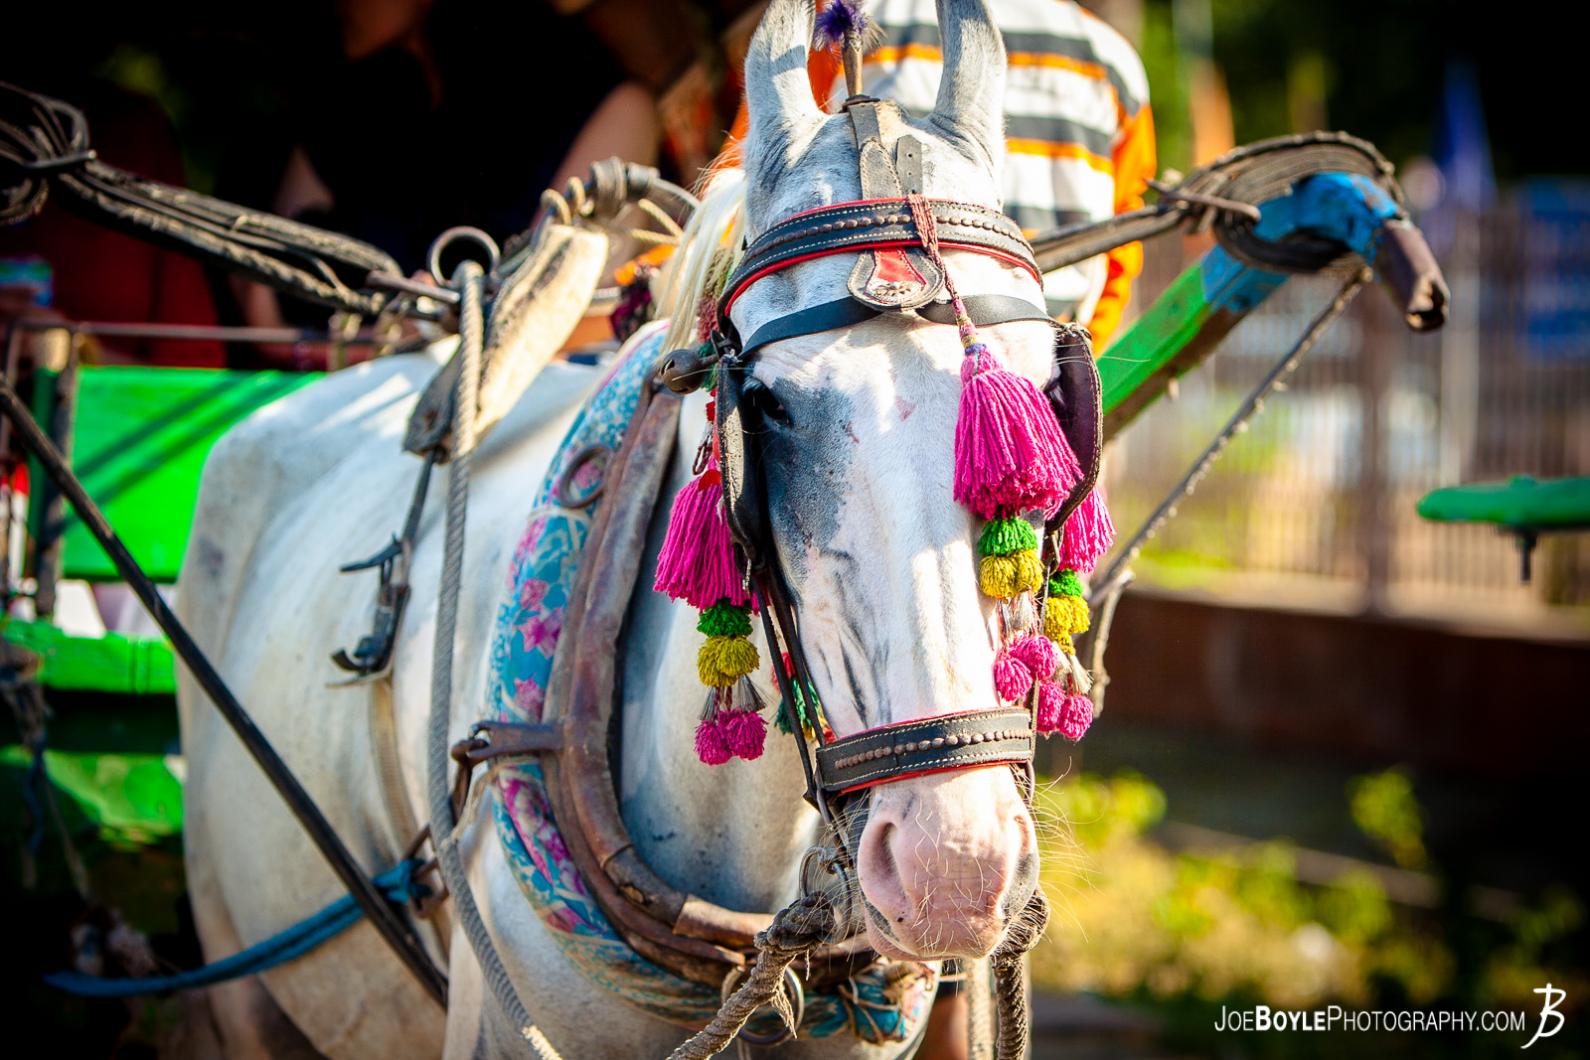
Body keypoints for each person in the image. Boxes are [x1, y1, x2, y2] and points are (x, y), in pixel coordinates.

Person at [225, 0, 661, 368]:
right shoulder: (339, 122)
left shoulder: (607, 106)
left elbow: (550, 312)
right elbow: (266, 309)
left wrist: (380, 344)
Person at [719, 0, 1156, 349]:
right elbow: (1121, 242)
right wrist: (1079, 352)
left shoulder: (864, 19)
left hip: (885, 350)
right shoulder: (1114, 59)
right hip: (1054, 345)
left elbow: (749, 176)